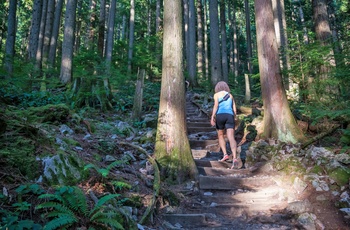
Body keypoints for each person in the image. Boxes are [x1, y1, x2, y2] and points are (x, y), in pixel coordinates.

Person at [210, 81, 238, 169]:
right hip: (230, 116)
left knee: (220, 135)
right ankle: (235, 157)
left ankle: (225, 154)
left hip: (220, 115)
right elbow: (234, 109)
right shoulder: (230, 95)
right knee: (231, 137)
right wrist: (234, 117)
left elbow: (216, 105)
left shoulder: (216, 95)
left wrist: (212, 116)